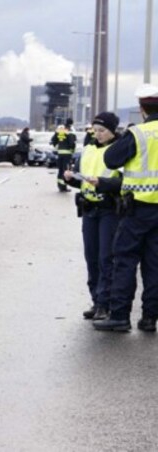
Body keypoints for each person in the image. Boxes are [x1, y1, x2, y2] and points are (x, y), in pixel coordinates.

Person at [94, 84, 158, 332]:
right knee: (154, 264)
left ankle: (120, 315)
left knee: (125, 259)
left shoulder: (138, 134)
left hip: (137, 209)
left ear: (142, 109)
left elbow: (111, 159)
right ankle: (150, 318)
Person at [63, 112, 122, 321]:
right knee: (91, 257)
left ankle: (105, 304)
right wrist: (71, 179)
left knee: (106, 257)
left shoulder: (118, 151)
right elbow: (82, 180)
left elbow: (124, 182)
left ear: (112, 131)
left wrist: (103, 184)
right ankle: (96, 299)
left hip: (108, 210)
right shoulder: (87, 149)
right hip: (89, 209)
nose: (98, 134)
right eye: (95, 130)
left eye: (102, 131)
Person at [51, 121, 77, 192]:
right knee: (66, 170)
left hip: (60, 154)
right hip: (67, 155)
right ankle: (64, 187)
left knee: (60, 170)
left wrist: (58, 148)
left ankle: (60, 186)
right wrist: (72, 151)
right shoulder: (70, 133)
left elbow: (53, 141)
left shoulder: (60, 132)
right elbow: (72, 144)